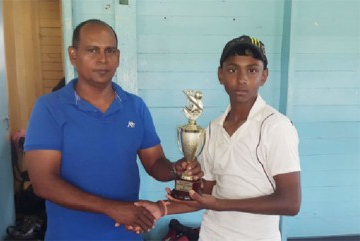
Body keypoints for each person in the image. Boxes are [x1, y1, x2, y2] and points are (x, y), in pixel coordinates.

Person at [23, 19, 203, 240]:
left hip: (126, 234)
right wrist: (111, 208)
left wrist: (178, 169)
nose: (102, 59)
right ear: (73, 55)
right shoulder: (49, 108)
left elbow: (155, 164)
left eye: (110, 50)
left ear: (118, 57)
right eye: (92, 50)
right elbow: (43, 183)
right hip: (70, 235)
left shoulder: (135, 106)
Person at [136, 35, 302, 241]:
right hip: (212, 235)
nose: (242, 79)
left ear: (264, 76)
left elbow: (290, 203)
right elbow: (204, 195)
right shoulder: (213, 128)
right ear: (220, 75)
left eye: (252, 70)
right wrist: (160, 208)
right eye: (232, 70)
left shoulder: (276, 126)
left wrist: (220, 204)